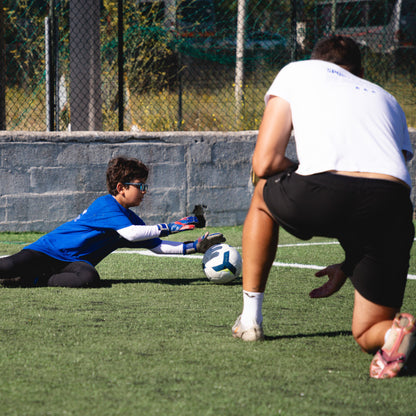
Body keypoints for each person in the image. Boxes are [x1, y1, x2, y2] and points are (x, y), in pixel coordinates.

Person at [231, 36, 416, 379]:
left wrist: (304, 172)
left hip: (323, 191)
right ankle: (396, 333)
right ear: (360, 71)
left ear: (317, 60)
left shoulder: (298, 71)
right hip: (393, 206)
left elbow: (265, 161)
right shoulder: (387, 98)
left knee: (261, 193)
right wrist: (350, 263)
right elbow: (372, 187)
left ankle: (250, 320)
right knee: (368, 332)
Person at [0, 156, 225, 288]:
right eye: (141, 186)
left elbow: (156, 246)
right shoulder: (106, 205)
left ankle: (37, 278)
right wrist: (171, 226)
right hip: (47, 251)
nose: (145, 192)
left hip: (72, 261)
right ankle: (24, 274)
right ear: (121, 188)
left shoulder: (130, 218)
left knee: (89, 278)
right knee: (6, 266)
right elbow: (131, 234)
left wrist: (194, 247)